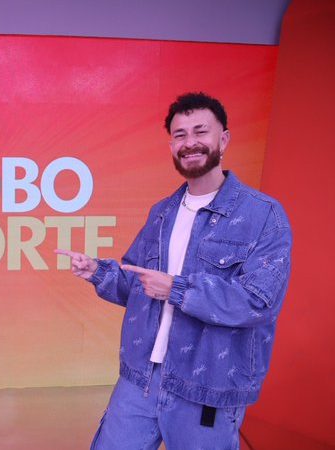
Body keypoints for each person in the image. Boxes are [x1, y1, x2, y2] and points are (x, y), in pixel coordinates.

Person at [55, 92, 292, 450]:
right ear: (172, 146)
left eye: (201, 131)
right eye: (180, 135)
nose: (190, 142)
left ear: (223, 139)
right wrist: (98, 272)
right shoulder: (162, 213)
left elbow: (259, 302)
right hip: (141, 378)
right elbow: (139, 286)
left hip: (207, 386)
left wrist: (178, 290)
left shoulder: (263, 215)